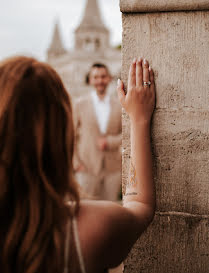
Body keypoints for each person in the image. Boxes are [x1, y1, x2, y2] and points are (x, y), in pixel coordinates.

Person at [0, 56, 155, 273]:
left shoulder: (113, 103)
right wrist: (139, 119)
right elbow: (140, 207)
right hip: (88, 171)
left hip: (110, 168)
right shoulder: (88, 230)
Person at [73, 63, 122, 201]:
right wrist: (76, 163)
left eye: (103, 76)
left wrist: (110, 142)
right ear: (90, 80)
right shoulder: (79, 104)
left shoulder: (119, 105)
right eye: (96, 77)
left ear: (109, 79)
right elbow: (70, 135)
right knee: (85, 210)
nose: (100, 80)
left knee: (109, 212)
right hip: (86, 168)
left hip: (113, 169)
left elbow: (127, 134)